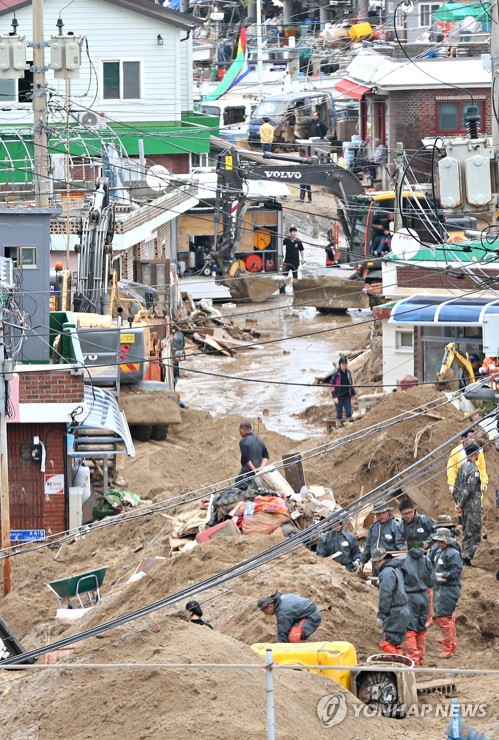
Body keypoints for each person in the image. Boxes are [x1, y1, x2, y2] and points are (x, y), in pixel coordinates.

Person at [371, 548, 411, 655]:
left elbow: (386, 596)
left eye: (375, 563)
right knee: (395, 642)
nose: (375, 565)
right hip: (403, 611)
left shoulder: (387, 572)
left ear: (380, 560)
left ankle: (395, 663)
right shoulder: (396, 569)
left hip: (395, 613)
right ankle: (400, 662)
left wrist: (381, 615)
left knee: (386, 642)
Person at [431, 528, 463, 658]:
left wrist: (442, 575)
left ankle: (448, 649)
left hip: (448, 589)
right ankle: (450, 642)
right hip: (440, 588)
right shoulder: (440, 551)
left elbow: (456, 572)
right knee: (447, 618)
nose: (439, 543)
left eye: (441, 541)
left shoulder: (453, 554)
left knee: (444, 618)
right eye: (438, 541)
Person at [401, 547, 435, 665]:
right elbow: (432, 581)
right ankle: (420, 658)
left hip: (409, 597)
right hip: (423, 596)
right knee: (421, 628)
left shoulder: (402, 560)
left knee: (409, 629)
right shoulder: (426, 560)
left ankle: (413, 660)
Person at [452, 442, 482, 566]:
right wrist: (462, 504)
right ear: (475, 454)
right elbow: (469, 489)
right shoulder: (474, 470)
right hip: (472, 506)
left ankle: (463, 555)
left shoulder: (462, 467)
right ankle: (466, 557)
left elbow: (455, 488)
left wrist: (458, 503)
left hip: (465, 507)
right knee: (474, 531)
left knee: (466, 530)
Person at [257, 591, 322, 643]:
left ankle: (297, 653)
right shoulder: (281, 599)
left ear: (270, 606)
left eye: (264, 611)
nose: (264, 613)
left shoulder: (283, 613)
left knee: (293, 637)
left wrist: (280, 647)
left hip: (311, 616)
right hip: (303, 613)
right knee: (289, 630)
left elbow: (283, 632)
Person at [359, 501, 406, 570]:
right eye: (378, 514)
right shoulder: (374, 528)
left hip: (390, 565)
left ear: (388, 511)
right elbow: (368, 547)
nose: (381, 516)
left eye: (383, 513)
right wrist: (362, 561)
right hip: (376, 564)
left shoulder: (396, 526)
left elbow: (401, 547)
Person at [447, 430, 488, 499]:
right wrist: (452, 484)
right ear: (463, 438)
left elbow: (482, 468)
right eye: (470, 437)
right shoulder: (456, 451)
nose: (472, 440)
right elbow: (451, 468)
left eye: (473, 437)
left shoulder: (478, 451)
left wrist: (484, 482)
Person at [236, 421, 269, 485]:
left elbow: (246, 458)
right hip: (259, 471)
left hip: (248, 472)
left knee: (237, 482)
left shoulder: (243, 442)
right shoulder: (260, 440)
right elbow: (266, 456)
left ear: (243, 429)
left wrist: (254, 470)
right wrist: (260, 469)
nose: (240, 433)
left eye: (240, 431)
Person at [330, 356, 356, 427]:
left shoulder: (348, 373)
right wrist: (334, 396)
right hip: (339, 396)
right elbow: (332, 386)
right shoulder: (336, 374)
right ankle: (338, 424)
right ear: (340, 364)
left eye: (345, 364)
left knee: (348, 412)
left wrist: (353, 394)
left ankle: (347, 424)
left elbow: (351, 384)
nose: (344, 365)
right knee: (339, 413)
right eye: (343, 364)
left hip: (347, 395)